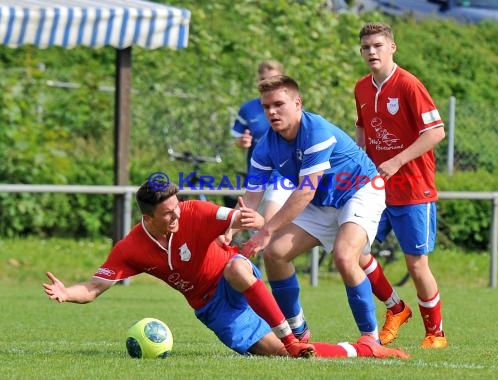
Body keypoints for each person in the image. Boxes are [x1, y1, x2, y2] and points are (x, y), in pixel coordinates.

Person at [43, 180, 409, 360]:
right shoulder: (132, 248)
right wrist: (66, 293)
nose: (176, 214)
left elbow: (240, 217)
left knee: (236, 265)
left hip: (233, 277)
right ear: (148, 217)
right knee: (288, 359)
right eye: (167, 212)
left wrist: (244, 220)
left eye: (177, 206)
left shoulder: (194, 211)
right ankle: (365, 351)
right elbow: (92, 288)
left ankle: (291, 332)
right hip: (212, 309)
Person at [239, 75, 390, 346]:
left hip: (360, 191)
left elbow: (305, 190)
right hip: (322, 202)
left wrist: (267, 230)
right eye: (266, 107)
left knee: (345, 256)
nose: (272, 112)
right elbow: (250, 200)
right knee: (275, 254)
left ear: (298, 103)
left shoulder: (316, 130)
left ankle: (370, 338)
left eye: (279, 104)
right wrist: (227, 229)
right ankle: (297, 331)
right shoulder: (265, 146)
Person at [354, 22, 448, 349]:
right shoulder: (362, 88)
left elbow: (436, 133)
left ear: (392, 47)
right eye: (366, 47)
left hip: (413, 189)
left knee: (416, 263)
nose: (371, 52)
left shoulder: (409, 85)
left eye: (378, 45)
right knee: (353, 250)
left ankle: (436, 334)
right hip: (377, 189)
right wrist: (358, 168)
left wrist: (396, 161)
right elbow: (364, 133)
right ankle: (396, 308)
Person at [231, 60, 294, 220]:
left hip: (283, 174)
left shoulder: (290, 107)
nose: (272, 112)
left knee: (271, 221)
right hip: (257, 173)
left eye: (274, 79)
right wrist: (242, 142)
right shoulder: (248, 109)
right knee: (247, 220)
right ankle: (223, 241)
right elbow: (238, 140)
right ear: (258, 81)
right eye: (264, 79)